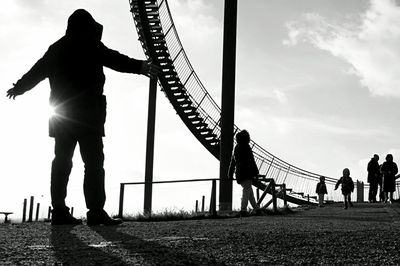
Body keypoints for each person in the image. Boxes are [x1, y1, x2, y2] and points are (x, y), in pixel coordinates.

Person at [6, 9, 160, 225]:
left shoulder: (57, 49)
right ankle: (95, 211)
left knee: (62, 162)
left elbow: (37, 71)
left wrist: (19, 88)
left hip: (63, 117)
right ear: (88, 27)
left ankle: (59, 210)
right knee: (94, 163)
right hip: (89, 117)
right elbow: (115, 59)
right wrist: (140, 66)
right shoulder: (92, 45)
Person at [228, 130, 261, 217]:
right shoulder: (246, 147)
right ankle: (243, 210)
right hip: (247, 172)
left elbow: (232, 162)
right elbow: (251, 160)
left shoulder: (236, 148)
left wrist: (230, 173)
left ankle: (257, 209)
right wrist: (256, 172)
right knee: (247, 191)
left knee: (249, 192)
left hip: (239, 172)